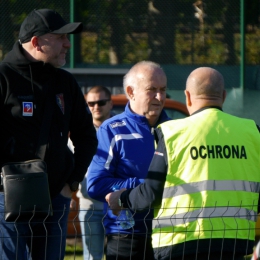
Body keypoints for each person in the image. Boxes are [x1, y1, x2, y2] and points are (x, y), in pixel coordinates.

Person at [105, 67, 260, 260]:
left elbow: (151, 192)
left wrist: (121, 198)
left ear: (187, 96)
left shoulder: (172, 133)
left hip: (182, 242)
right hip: (233, 243)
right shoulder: (252, 132)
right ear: (224, 96)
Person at [0, 8, 98, 260]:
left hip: (56, 198)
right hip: (7, 201)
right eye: (60, 37)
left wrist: (71, 183)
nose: (68, 44)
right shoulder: (4, 78)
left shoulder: (66, 82)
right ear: (36, 42)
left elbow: (86, 136)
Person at [87, 61, 171, 260]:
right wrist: (144, 188)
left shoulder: (177, 129)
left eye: (163, 90)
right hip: (127, 235)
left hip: (172, 232)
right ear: (131, 92)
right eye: (152, 90)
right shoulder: (112, 129)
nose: (159, 97)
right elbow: (96, 185)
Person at [78, 86, 114, 260]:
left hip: (118, 204)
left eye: (101, 102)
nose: (96, 107)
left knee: (122, 254)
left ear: (110, 104)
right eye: (91, 103)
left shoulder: (120, 129)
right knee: (91, 257)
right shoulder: (79, 133)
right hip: (89, 205)